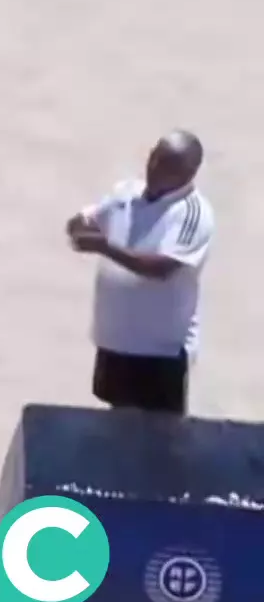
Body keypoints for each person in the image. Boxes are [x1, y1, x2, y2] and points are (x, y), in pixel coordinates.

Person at [67, 130, 214, 415]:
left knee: (158, 438)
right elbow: (85, 219)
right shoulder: (127, 193)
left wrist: (105, 247)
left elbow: (163, 268)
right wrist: (79, 228)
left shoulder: (191, 214)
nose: (154, 168)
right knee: (117, 422)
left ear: (189, 172)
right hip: (115, 341)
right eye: (154, 157)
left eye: (167, 165)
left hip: (159, 352)